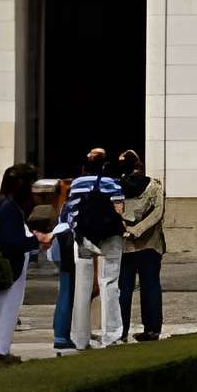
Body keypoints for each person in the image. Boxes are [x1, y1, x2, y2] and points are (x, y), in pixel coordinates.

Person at [55, 148, 125, 352]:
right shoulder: (113, 183)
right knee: (110, 284)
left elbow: (71, 210)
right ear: (105, 165)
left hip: (84, 237)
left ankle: (80, 338)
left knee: (82, 287)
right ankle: (111, 335)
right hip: (110, 237)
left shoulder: (76, 184)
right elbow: (119, 210)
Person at [0, 164, 37, 364]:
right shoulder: (9, 207)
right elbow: (10, 242)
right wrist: (36, 241)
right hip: (10, 266)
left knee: (5, 309)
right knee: (4, 309)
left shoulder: (7, 205)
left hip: (12, 265)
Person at [115, 148, 167, 342]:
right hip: (151, 244)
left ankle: (121, 330)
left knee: (124, 289)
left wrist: (127, 229)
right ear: (140, 165)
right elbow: (158, 213)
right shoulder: (154, 186)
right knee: (151, 286)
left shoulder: (117, 187)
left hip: (126, 245)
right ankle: (152, 329)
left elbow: (115, 213)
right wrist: (139, 230)